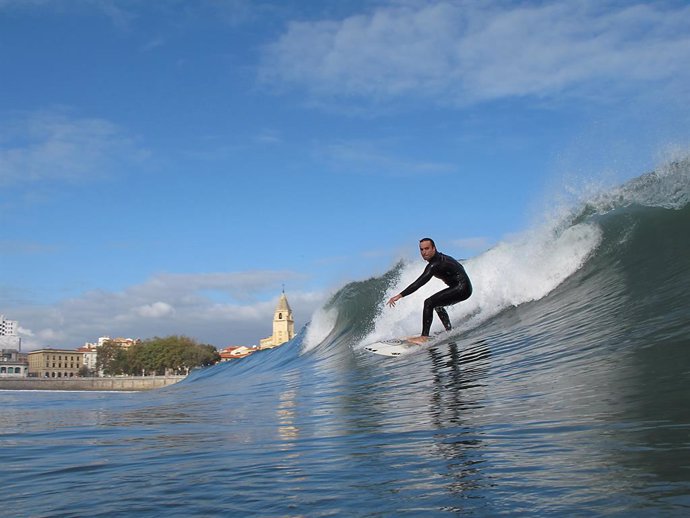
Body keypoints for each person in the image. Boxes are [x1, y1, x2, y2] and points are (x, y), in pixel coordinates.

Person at [387, 238, 472, 344]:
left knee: (429, 302)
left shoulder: (435, 264)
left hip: (462, 288)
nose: (424, 252)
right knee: (436, 304)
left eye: (427, 249)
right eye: (421, 250)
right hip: (462, 287)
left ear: (434, 248)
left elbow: (419, 283)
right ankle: (449, 330)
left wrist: (399, 295)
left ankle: (424, 337)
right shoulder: (441, 258)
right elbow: (460, 266)